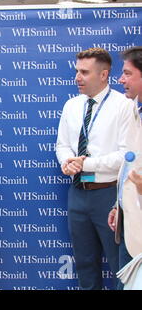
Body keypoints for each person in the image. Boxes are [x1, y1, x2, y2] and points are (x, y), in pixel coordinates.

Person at [56, 47, 134, 290]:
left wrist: (86, 163)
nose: (77, 77)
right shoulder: (71, 105)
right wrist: (67, 162)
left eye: (84, 72)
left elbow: (126, 155)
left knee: (119, 264)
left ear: (104, 75)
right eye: (77, 71)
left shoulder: (124, 106)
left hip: (109, 195)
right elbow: (62, 144)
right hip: (78, 193)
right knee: (85, 264)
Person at [107, 47, 142, 277]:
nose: (121, 79)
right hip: (129, 223)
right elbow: (130, 161)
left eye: (128, 73)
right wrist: (117, 204)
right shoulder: (133, 108)